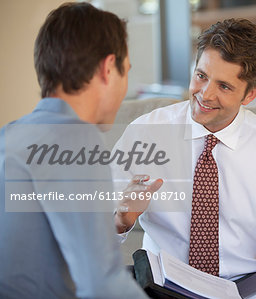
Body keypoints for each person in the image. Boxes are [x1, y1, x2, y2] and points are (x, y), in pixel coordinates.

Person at [113, 18, 256, 280]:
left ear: (251, 95)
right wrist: (122, 220)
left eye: (224, 86)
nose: (205, 94)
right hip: (162, 283)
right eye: (201, 76)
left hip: (241, 287)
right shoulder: (145, 133)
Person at [0, 3, 161, 298]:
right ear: (108, 68)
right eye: (126, 72)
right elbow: (102, 283)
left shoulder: (10, 135)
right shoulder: (75, 140)